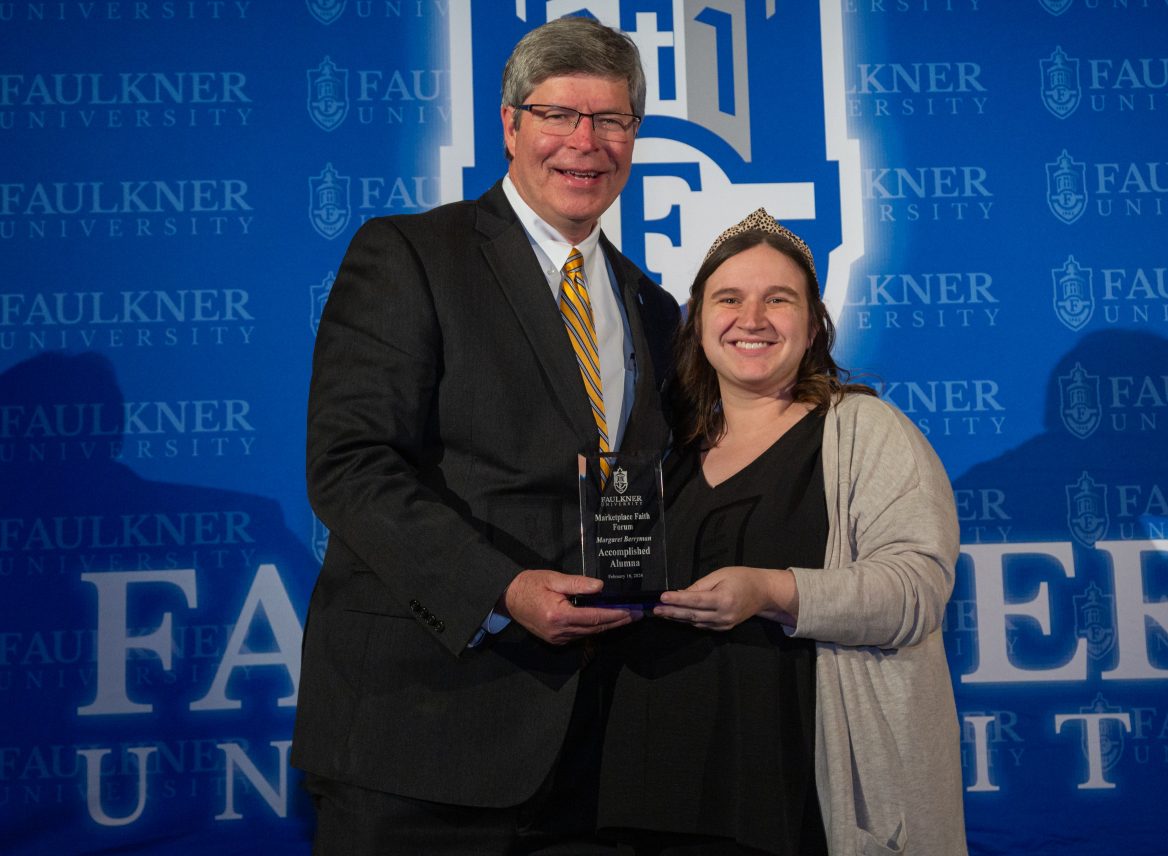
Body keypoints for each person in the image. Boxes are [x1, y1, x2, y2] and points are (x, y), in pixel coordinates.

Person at [291, 16, 680, 855]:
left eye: (612, 120)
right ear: (509, 125)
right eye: (557, 116)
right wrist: (501, 589)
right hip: (420, 735)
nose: (586, 142)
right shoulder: (410, 254)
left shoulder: (652, 307)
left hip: (594, 755)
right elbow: (350, 465)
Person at [597, 210, 968, 856]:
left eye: (779, 299)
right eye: (730, 298)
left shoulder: (863, 431)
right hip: (652, 800)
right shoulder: (662, 451)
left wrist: (772, 591)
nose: (753, 318)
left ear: (813, 323)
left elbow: (915, 593)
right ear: (698, 319)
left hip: (793, 803)